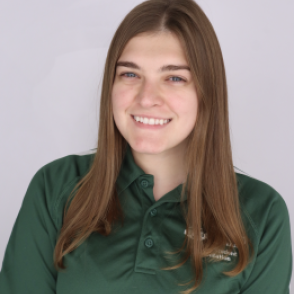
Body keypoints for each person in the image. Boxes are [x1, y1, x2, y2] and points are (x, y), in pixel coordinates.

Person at [0, 0, 292, 293]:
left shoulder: (262, 213)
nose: (147, 97)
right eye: (130, 74)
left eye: (174, 78)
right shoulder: (56, 187)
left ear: (207, 92)